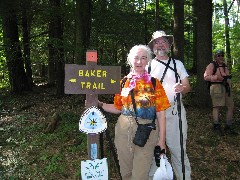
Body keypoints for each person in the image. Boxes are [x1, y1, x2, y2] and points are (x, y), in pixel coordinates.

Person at [98, 44, 170, 180]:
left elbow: (161, 113)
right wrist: (100, 105)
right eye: (136, 58)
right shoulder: (124, 82)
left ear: (148, 61)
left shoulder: (154, 84)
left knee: (140, 175)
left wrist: (162, 140)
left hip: (147, 131)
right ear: (130, 60)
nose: (139, 61)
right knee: (125, 172)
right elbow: (118, 107)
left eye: (143, 58)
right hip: (123, 129)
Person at [147, 30, 191, 180]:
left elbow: (187, 86)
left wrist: (182, 88)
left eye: (163, 41)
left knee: (178, 150)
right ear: (153, 46)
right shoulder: (147, 65)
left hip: (174, 112)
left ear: (169, 44)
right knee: (154, 150)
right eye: (157, 42)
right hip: (152, 113)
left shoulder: (177, 64)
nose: (160, 44)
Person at [204, 50, 237, 136]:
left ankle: (228, 126)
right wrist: (216, 77)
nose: (221, 57)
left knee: (231, 106)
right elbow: (206, 77)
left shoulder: (225, 66)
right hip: (216, 87)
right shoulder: (212, 65)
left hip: (226, 88)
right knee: (216, 106)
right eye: (219, 55)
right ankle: (216, 125)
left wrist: (228, 81)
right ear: (215, 56)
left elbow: (227, 76)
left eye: (222, 55)